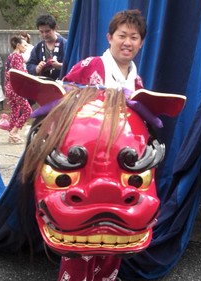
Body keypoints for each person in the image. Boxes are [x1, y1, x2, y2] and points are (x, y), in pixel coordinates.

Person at [59, 9, 147, 281]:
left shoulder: (137, 81)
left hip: (119, 169)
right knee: (81, 232)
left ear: (141, 43)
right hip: (85, 166)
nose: (127, 42)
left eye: (134, 37)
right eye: (122, 35)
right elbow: (61, 99)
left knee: (116, 231)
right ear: (109, 37)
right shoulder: (90, 66)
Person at [4, 36, 32, 143]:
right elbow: (20, 73)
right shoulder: (18, 56)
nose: (26, 47)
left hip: (9, 88)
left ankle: (11, 137)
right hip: (16, 88)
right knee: (28, 111)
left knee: (15, 111)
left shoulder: (10, 56)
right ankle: (14, 132)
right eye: (24, 45)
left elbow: (8, 73)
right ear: (18, 45)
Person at [26, 14, 67, 80]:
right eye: (41, 32)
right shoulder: (38, 47)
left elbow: (75, 65)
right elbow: (29, 65)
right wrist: (36, 68)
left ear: (55, 28)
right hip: (43, 85)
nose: (44, 34)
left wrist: (59, 65)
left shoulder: (65, 45)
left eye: (47, 31)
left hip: (62, 84)